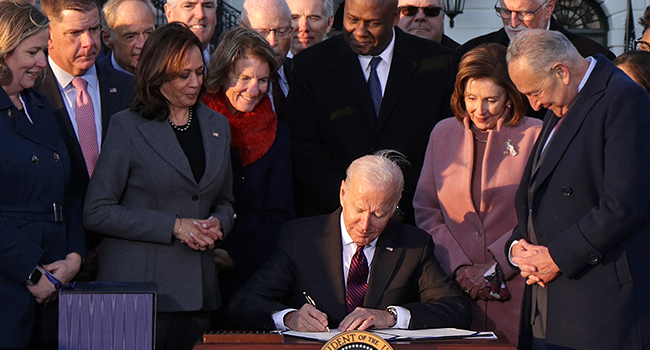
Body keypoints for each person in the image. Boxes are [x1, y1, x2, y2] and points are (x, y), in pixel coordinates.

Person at [83, 23, 234, 350]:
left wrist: (220, 222)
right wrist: (174, 226)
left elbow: (224, 200)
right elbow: (96, 211)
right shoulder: (127, 126)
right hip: (136, 294)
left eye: (199, 72)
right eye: (183, 75)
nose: (195, 83)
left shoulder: (217, 125)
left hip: (198, 294)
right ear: (157, 75)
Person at [506, 29, 650, 350]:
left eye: (535, 92)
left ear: (562, 71)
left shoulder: (624, 98)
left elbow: (624, 204)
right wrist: (517, 247)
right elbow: (538, 195)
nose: (534, 103)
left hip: (597, 309)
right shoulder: (561, 101)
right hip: (547, 301)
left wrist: (557, 257)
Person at [229, 151, 472, 331]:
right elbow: (244, 303)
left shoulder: (413, 246)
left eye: (379, 214)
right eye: (358, 209)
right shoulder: (300, 238)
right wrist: (289, 318)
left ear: (396, 205)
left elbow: (456, 309)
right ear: (343, 193)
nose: (365, 224)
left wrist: (392, 317)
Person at [413, 44, 541, 345]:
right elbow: (426, 210)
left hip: (517, 288)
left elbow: (539, 211)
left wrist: (498, 266)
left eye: (490, 100)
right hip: (454, 292)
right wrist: (461, 269)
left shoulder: (535, 134)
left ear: (510, 96)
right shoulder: (443, 133)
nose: (479, 110)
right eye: (471, 98)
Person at [286, 0, 456, 224]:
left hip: (412, 221)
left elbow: (444, 148)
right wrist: (353, 207)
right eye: (352, 20)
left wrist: (395, 207)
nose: (360, 31)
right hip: (332, 219)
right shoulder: (310, 65)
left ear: (394, 18)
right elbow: (305, 149)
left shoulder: (439, 63)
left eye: (372, 23)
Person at [0, 2, 85, 348]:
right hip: (11, 286)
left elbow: (72, 190)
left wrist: (75, 257)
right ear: (3, 52)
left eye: (42, 50)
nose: (41, 62)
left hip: (57, 278)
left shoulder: (41, 107)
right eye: (32, 52)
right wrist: (31, 272)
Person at [201, 27, 295, 325]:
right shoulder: (195, 125)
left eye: (263, 80)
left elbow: (280, 214)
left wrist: (239, 258)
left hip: (253, 280)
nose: (254, 90)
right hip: (194, 275)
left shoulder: (279, 135)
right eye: (244, 79)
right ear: (222, 74)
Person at [37, 0, 134, 281]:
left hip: (120, 252)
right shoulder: (30, 96)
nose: (89, 42)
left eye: (94, 29)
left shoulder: (129, 89)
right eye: (76, 33)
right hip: (56, 259)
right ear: (49, 34)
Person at [240, 0, 293, 116]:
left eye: (281, 32)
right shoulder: (229, 86)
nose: (272, 42)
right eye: (262, 32)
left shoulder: (300, 74)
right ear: (242, 28)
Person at [99, 0, 156, 75]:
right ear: (107, 38)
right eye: (131, 36)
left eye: (148, 33)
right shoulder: (95, 80)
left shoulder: (169, 73)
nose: (142, 44)